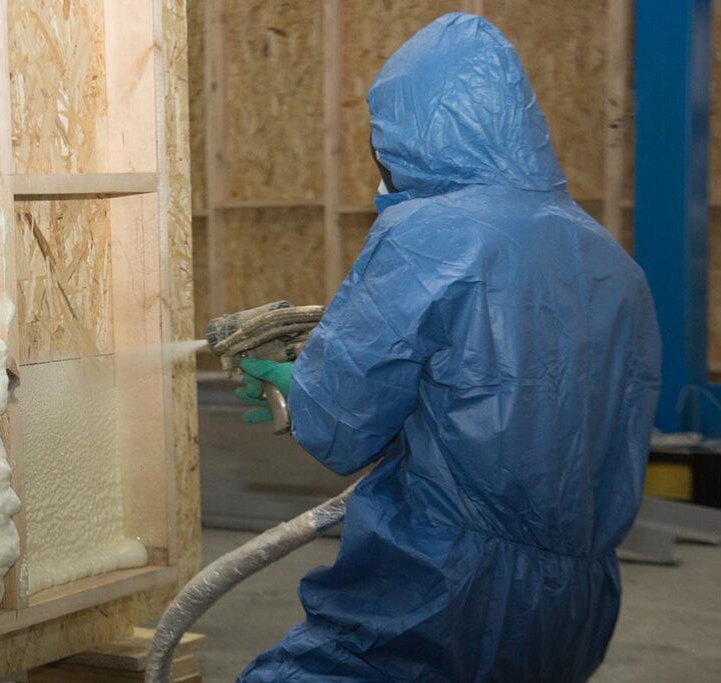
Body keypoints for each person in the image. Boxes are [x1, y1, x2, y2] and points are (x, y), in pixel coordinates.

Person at [234, 13, 661, 682]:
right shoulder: (610, 260)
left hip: (441, 587)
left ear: (412, 131)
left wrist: (297, 386)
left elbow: (341, 427)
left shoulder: (425, 234)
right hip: (579, 601)